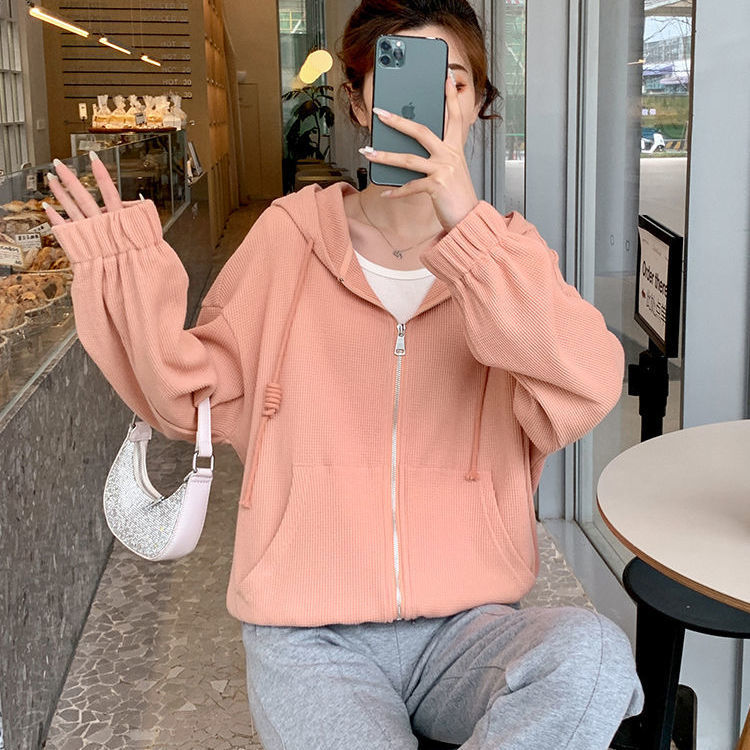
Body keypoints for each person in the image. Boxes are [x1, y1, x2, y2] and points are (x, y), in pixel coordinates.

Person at [44, 1, 644, 747]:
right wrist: (123, 278)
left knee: (594, 659)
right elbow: (189, 395)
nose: (433, 106)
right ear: (359, 102)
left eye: (455, 83)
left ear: (477, 105)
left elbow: (588, 384)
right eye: (401, 80)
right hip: (309, 634)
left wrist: (469, 229)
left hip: (469, 627)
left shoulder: (508, 261)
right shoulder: (290, 238)